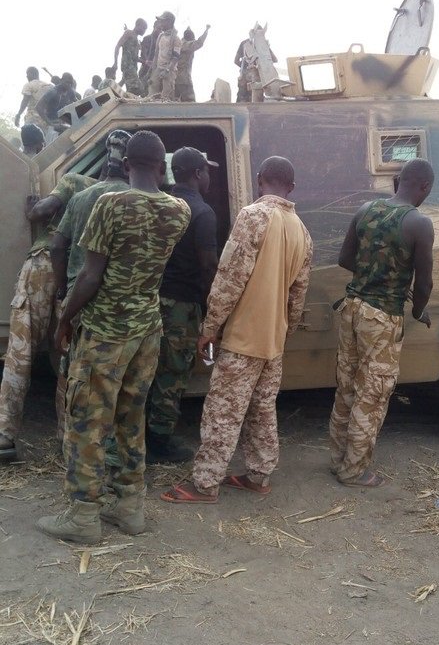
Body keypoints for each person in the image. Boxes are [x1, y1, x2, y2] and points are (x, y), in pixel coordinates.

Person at [36, 131, 190, 543]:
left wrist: (64, 319)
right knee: (130, 417)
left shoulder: (109, 203)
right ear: (162, 167)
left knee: (87, 422)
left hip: (105, 331)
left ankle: (84, 515)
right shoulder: (179, 210)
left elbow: (89, 275)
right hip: (146, 330)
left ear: (126, 166)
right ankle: (130, 506)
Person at [160, 156, 312, 503]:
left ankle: (204, 484)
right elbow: (297, 295)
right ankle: (259, 476)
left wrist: (210, 327)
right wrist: (282, 332)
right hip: (272, 341)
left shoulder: (253, 216)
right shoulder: (301, 231)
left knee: (222, 413)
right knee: (262, 409)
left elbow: (230, 276)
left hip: (243, 337)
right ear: (291, 187)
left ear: (260, 180)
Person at [328, 159, 435, 488]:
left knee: (346, 387)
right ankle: (354, 471)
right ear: (425, 188)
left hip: (352, 308)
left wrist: (369, 277)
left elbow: (345, 258)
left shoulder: (365, 210)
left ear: (397, 180)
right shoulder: (419, 223)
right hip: (383, 316)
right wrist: (417, 310)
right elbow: (424, 283)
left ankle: (337, 460)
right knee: (372, 395)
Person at [0, 172, 97, 460]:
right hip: (78, 273)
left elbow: (41, 211)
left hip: (44, 262)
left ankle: (4, 435)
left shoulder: (74, 180)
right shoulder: (116, 193)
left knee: (20, 352)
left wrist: (32, 209)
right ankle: (67, 441)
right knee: (67, 356)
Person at [50, 131, 132, 445]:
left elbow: (58, 246)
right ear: (127, 163)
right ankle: (109, 446)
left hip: (77, 300)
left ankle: (68, 441)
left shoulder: (81, 197)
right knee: (117, 379)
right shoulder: (136, 199)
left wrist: (61, 289)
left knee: (71, 373)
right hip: (121, 305)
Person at [145, 147, 218, 461]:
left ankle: (139, 434)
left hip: (151, 300)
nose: (209, 176)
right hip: (182, 307)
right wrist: (214, 309)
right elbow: (208, 266)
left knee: (148, 370)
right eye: (207, 171)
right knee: (172, 375)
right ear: (198, 173)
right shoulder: (202, 212)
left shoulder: (158, 203)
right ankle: (159, 443)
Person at [147, 11, 182, 100]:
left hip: (169, 70)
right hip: (158, 68)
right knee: (152, 92)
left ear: (169, 22)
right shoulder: (161, 36)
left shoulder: (176, 39)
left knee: (167, 95)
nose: (160, 24)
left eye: (163, 21)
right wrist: (152, 71)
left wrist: (167, 70)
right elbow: (156, 54)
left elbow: (175, 57)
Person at [112, 18, 148, 95]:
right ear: (138, 25)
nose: (144, 31)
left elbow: (135, 57)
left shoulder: (137, 40)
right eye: (143, 28)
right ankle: (124, 100)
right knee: (138, 88)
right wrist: (115, 62)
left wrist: (145, 62)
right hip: (127, 66)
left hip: (133, 67)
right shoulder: (129, 33)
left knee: (133, 89)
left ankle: (123, 98)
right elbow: (118, 46)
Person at [175, 25, 210, 102]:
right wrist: (206, 30)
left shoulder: (178, 44)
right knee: (190, 101)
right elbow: (199, 42)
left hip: (175, 78)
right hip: (183, 79)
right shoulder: (186, 45)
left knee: (175, 101)